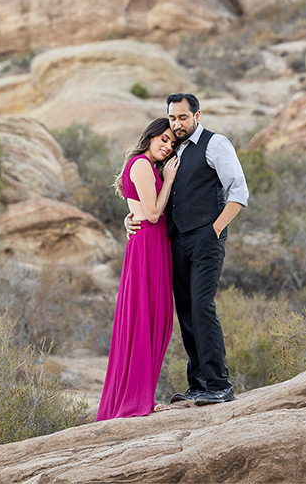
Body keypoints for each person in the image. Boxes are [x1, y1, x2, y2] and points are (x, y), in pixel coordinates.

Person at [127, 93, 249, 406]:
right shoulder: (170, 149)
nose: (177, 123)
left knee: (202, 306)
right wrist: (129, 218)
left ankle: (219, 384)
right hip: (174, 241)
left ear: (196, 114)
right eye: (172, 118)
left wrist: (215, 229)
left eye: (183, 117)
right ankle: (197, 384)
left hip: (206, 238)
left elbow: (239, 192)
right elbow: (149, 195)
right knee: (186, 311)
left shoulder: (215, 143)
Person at [96, 118, 180, 421]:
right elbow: (154, 214)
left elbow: (139, 208)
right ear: (151, 136)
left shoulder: (145, 166)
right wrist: (169, 180)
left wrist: (128, 218)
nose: (167, 146)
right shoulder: (143, 165)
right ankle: (137, 401)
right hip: (148, 244)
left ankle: (140, 396)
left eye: (171, 143)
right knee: (145, 321)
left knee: (154, 320)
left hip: (151, 244)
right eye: (164, 139)